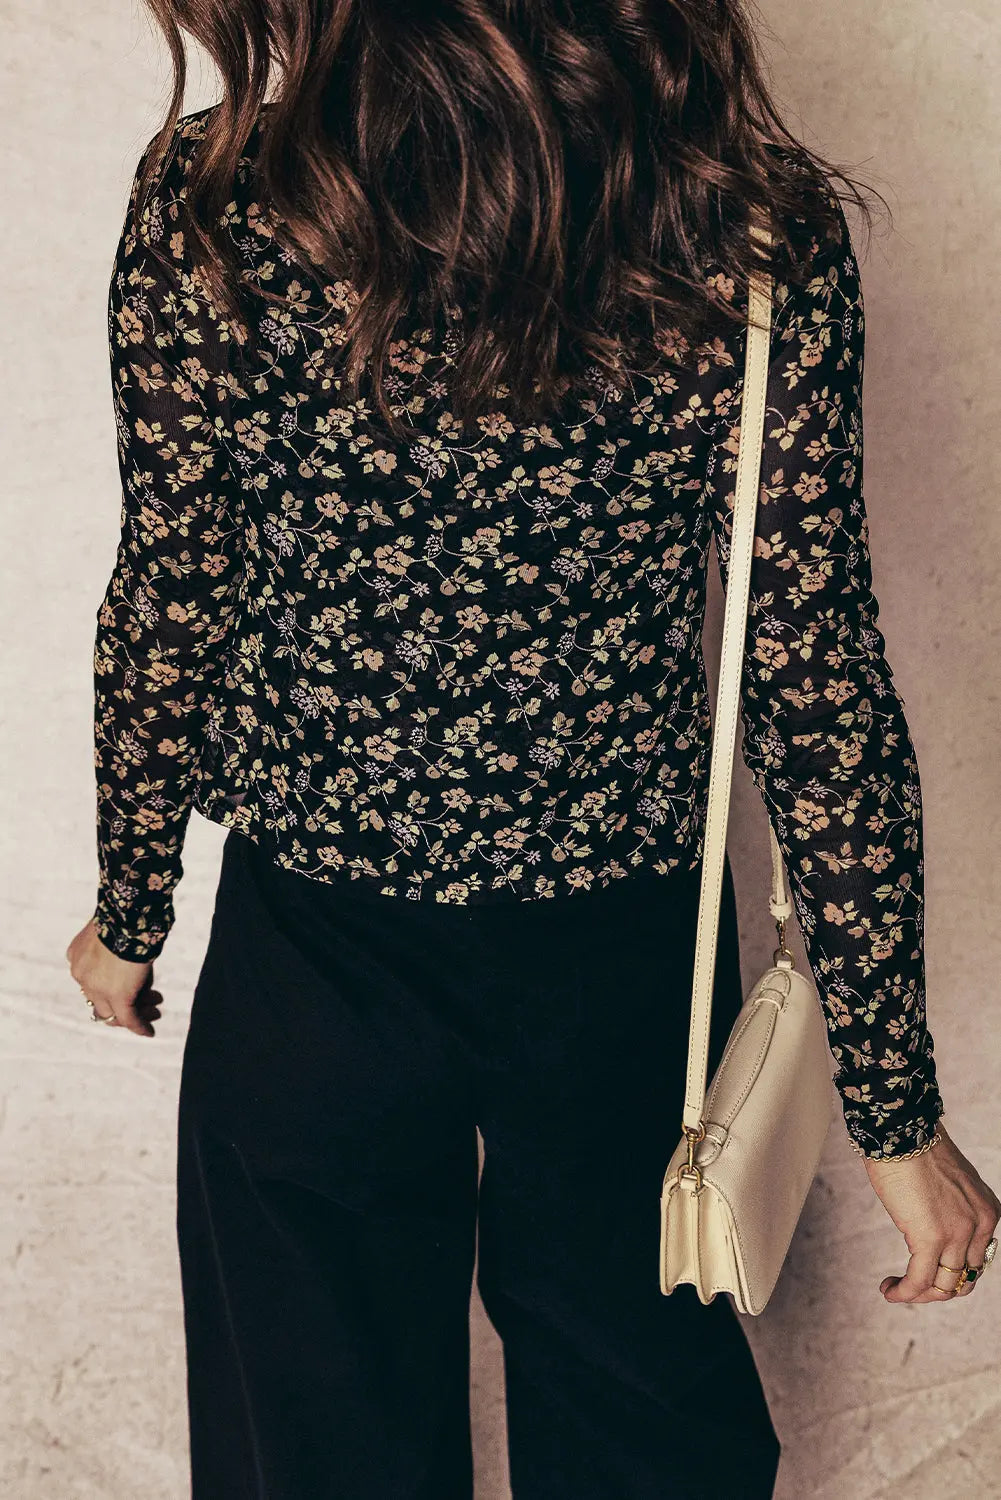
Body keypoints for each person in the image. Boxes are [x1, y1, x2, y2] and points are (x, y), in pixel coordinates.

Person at [65, 2, 999, 1496]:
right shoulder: (745, 230)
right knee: (640, 1430)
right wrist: (896, 1114)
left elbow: (176, 586)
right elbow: (813, 669)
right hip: (619, 951)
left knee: (312, 1439)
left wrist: (132, 904)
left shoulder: (224, 199)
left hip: (318, 948)